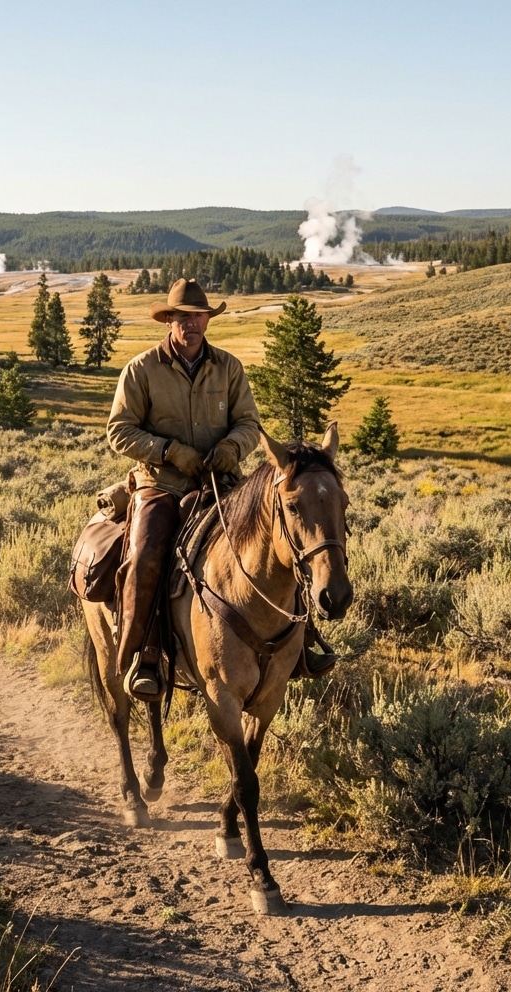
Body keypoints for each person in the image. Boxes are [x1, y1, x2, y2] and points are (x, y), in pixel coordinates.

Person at [107, 277, 334, 702]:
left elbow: (249, 423)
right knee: (146, 556)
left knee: (281, 538)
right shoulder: (141, 369)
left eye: (198, 316)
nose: (190, 324)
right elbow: (119, 432)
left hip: (222, 482)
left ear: (207, 319)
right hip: (162, 485)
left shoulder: (228, 368)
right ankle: (146, 656)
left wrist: (232, 446)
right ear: (168, 320)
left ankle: (302, 642)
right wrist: (169, 451)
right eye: (182, 317)